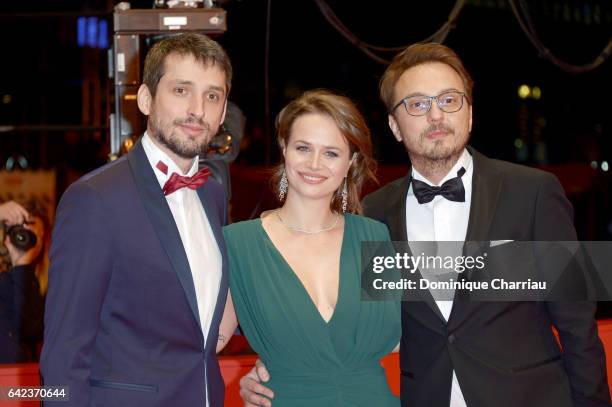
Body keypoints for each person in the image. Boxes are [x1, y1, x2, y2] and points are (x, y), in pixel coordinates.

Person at [240, 43, 611, 407]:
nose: (436, 115)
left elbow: (578, 327)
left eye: (449, 100)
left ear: (469, 113)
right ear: (395, 126)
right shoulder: (372, 216)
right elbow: (348, 325)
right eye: (417, 104)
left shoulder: (534, 193)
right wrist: (274, 368)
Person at [41, 33, 231, 406]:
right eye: (181, 90)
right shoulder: (94, 199)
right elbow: (64, 354)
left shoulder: (213, 192)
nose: (198, 109)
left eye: (212, 96)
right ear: (145, 99)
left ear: (223, 112)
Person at [220, 89, 401, 406]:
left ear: (350, 163)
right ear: (285, 149)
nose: (314, 164)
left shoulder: (375, 238)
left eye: (331, 153)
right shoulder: (238, 244)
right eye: (304, 148)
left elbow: (415, 333)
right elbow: (204, 342)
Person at [0, 200, 44, 362]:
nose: (24, 239)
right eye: (20, 232)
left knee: (59, 389)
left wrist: (22, 266)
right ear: (7, 237)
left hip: (15, 383)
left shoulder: (41, 284)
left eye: (33, 236)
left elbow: (32, 330)